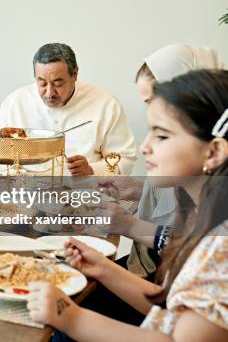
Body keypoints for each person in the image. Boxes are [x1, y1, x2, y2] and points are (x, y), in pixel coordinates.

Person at [25, 69, 228, 341]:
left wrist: (70, 318)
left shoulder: (220, 245)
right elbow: (173, 314)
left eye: (162, 135)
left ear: (213, 152)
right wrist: (104, 268)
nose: (145, 147)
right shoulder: (201, 216)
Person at [99, 44, 223, 277]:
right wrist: (138, 189)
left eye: (163, 135)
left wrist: (128, 225)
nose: (145, 147)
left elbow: (191, 248)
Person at [0, 43, 137, 176]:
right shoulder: (14, 103)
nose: (49, 93)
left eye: (58, 83)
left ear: (75, 74)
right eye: (42, 83)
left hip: (85, 195)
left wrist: (92, 170)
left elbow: (125, 159)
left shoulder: (106, 104)